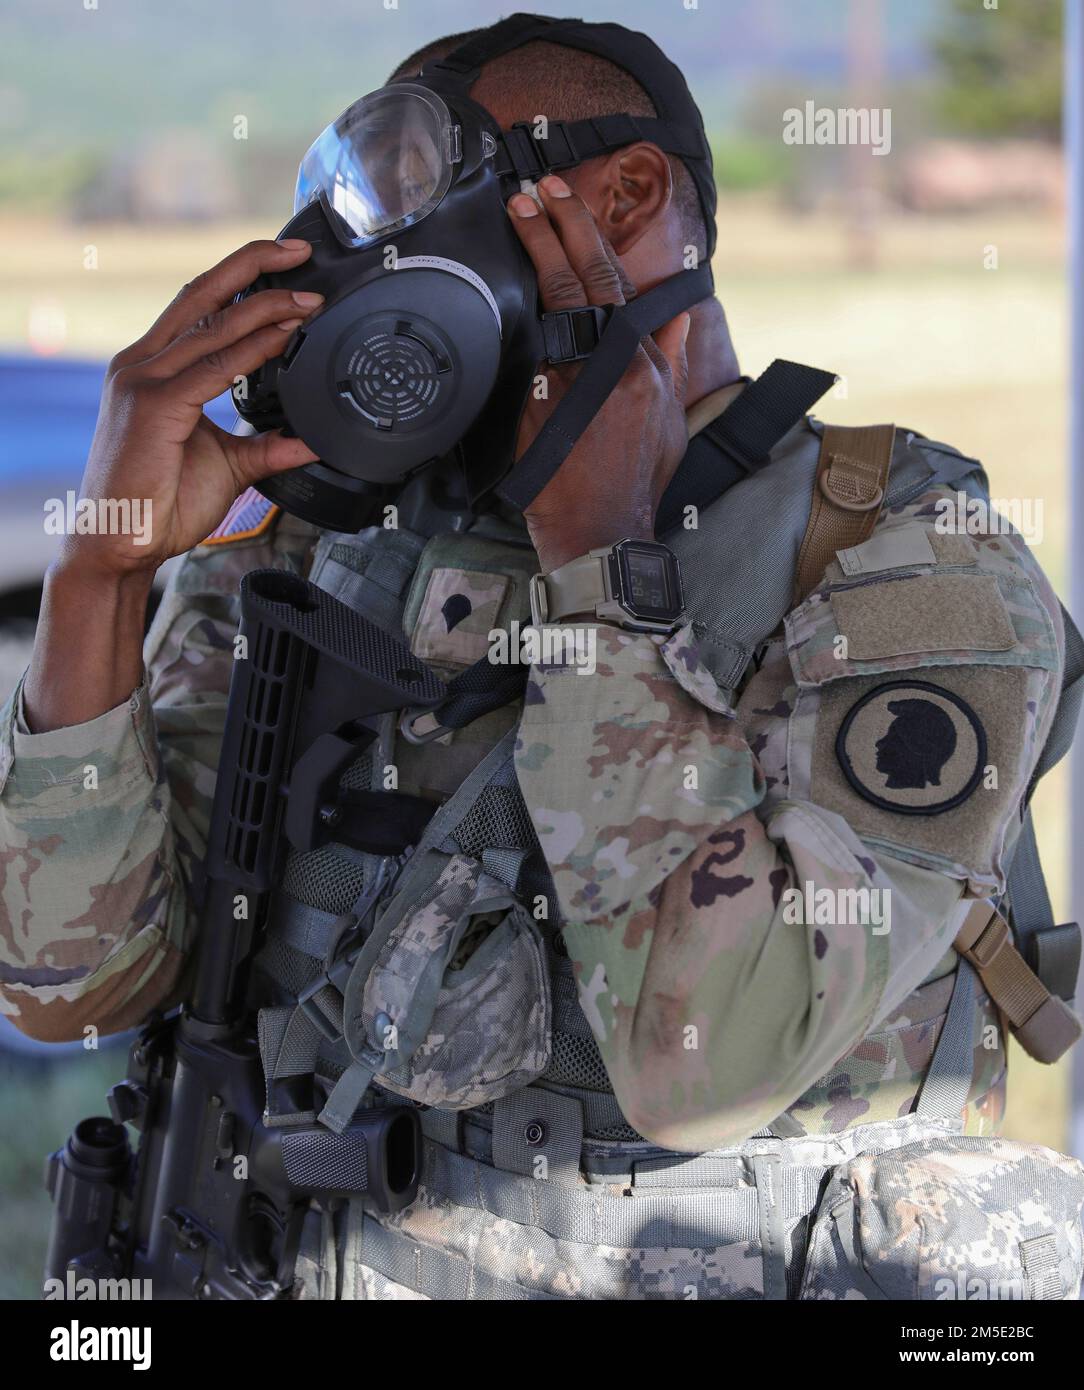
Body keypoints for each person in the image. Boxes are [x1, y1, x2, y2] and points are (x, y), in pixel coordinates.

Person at [0, 17, 1075, 1300]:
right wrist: (102, 576)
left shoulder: (898, 561)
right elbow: (68, 985)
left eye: (416, 183)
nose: (370, 255)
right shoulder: (315, 541)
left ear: (621, 193)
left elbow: (708, 1057)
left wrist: (598, 567)